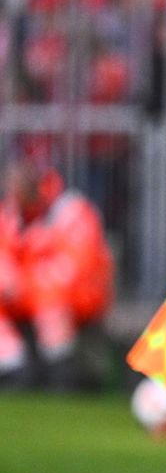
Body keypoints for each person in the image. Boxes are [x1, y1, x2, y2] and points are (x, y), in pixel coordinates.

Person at [0, 160, 113, 385]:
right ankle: (12, 366)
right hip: (26, 297)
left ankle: (61, 370)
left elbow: (73, 271)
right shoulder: (12, 214)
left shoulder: (71, 212)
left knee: (52, 303)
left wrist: (25, 283)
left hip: (76, 299)